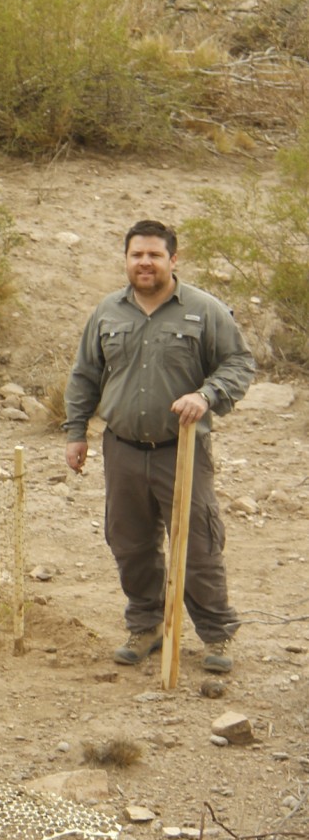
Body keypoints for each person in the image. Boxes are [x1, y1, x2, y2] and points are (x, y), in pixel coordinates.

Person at [63, 220, 253, 673]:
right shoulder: (107, 312)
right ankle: (146, 626)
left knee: (198, 545)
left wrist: (206, 395)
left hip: (181, 449)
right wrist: (76, 433)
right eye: (136, 255)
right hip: (122, 448)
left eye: (153, 254)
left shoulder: (204, 310)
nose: (144, 262)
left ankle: (215, 635)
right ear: (126, 260)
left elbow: (240, 363)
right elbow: (85, 374)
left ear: (173, 258)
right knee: (129, 542)